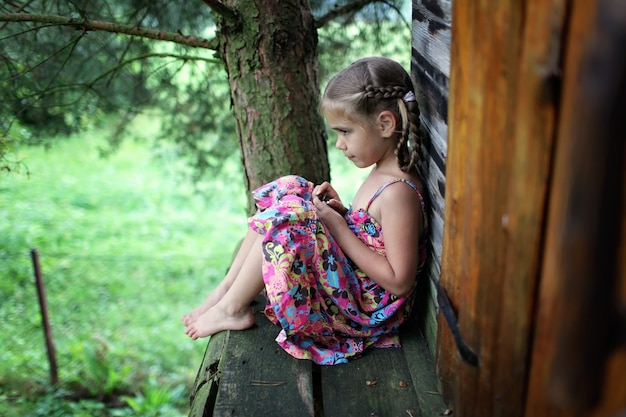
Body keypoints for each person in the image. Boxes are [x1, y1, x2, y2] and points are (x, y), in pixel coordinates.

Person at [182, 56, 428, 365]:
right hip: (355, 286)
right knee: (290, 189)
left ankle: (232, 309)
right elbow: (375, 234)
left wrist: (336, 226)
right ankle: (227, 292)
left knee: (291, 215)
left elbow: (398, 280)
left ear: (385, 124)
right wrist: (342, 214)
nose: (339, 144)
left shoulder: (397, 193)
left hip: (367, 308)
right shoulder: (385, 173)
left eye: (346, 132)